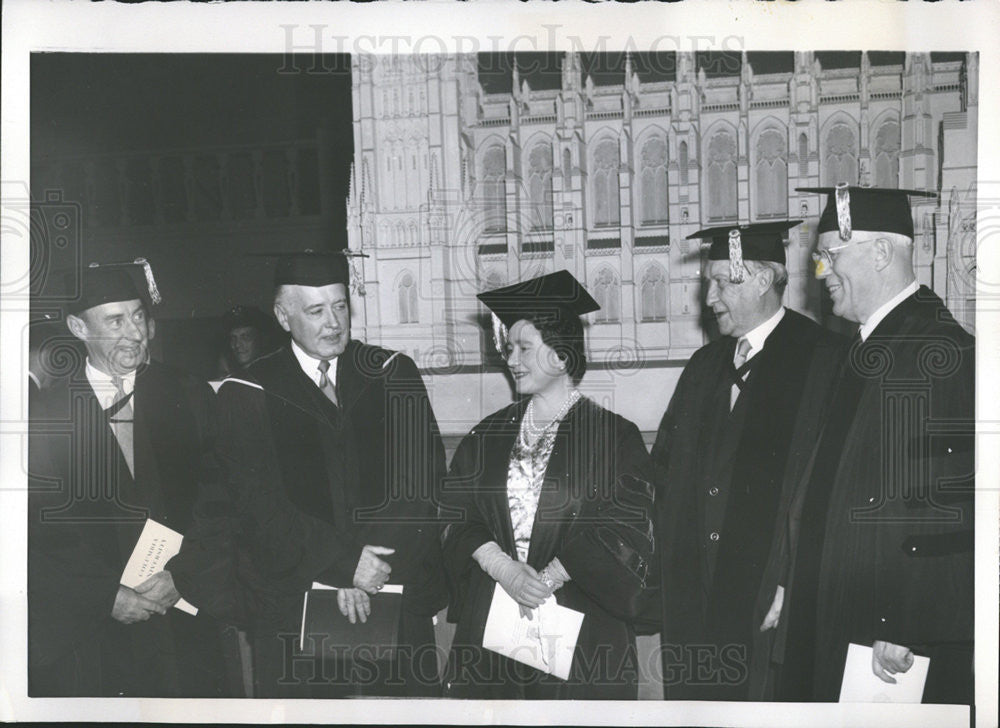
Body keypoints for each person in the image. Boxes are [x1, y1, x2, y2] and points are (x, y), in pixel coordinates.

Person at [209, 250, 447, 698]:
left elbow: (423, 481)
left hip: (391, 588)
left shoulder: (392, 374)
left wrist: (373, 569)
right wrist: (342, 565)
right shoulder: (247, 392)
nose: (333, 323)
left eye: (340, 306)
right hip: (300, 595)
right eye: (316, 311)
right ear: (283, 316)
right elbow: (258, 507)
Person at [775, 185, 975, 704]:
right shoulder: (865, 347)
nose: (820, 274)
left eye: (829, 256)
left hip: (887, 637)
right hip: (838, 609)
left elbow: (954, 502)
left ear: (882, 253)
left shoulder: (941, 350)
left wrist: (910, 618)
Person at [646, 222, 846, 700]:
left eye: (722, 282)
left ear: (761, 280)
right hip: (695, 596)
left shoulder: (823, 358)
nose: (709, 296)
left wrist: (792, 583)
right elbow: (664, 470)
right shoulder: (704, 367)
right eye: (707, 282)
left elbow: (829, 490)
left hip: (768, 594)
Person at [440, 270, 656, 699]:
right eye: (509, 348)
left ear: (560, 356)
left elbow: (629, 527)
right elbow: (454, 513)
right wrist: (504, 569)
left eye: (524, 348)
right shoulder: (487, 435)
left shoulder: (614, 437)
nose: (511, 359)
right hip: (496, 627)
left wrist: (547, 578)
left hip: (582, 628)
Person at [27, 260, 226, 697]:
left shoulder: (186, 392)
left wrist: (184, 572)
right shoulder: (45, 415)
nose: (135, 332)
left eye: (139, 316)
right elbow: (36, 530)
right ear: (78, 327)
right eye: (115, 320)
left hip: (187, 605)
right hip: (102, 629)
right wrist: (104, 597)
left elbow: (223, 494)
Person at [216, 304, 271, 378]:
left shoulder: (273, 375)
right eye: (233, 338)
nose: (237, 345)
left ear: (261, 339)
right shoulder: (227, 373)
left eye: (245, 337)